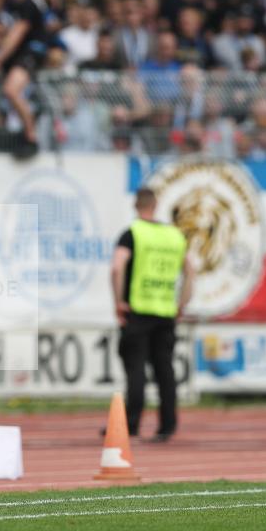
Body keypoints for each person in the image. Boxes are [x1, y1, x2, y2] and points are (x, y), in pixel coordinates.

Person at [111, 188, 194, 443]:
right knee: (165, 370)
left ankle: (131, 425)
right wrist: (182, 303)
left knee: (136, 369)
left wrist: (119, 302)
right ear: (156, 205)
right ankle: (167, 425)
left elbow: (117, 267)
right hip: (166, 312)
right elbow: (191, 271)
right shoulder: (174, 236)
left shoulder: (132, 233)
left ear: (136, 205)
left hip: (138, 310)